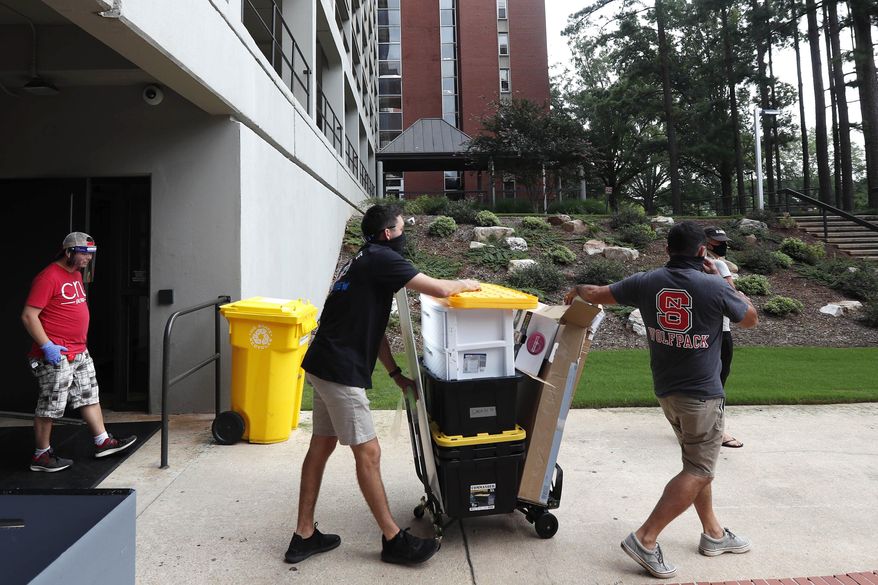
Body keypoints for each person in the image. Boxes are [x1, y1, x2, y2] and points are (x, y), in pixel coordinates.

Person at [285, 204, 480, 566]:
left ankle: (304, 536)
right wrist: (467, 284)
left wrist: (393, 374)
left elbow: (372, 330)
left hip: (323, 363)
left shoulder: (361, 259)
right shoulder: (381, 258)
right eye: (403, 228)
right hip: (339, 370)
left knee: (321, 446)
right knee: (369, 454)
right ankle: (394, 540)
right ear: (388, 233)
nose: (405, 234)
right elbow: (438, 288)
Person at [566, 221, 758, 579]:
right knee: (699, 469)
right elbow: (749, 319)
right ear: (703, 251)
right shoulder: (714, 285)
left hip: (666, 391)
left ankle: (713, 533)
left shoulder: (645, 281)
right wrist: (725, 278)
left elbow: (595, 293)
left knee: (696, 464)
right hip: (701, 394)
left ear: (667, 249)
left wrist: (577, 289)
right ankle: (646, 538)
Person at [22, 232, 137, 472]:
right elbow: (28, 315)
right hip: (56, 353)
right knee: (51, 405)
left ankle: (102, 441)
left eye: (91, 254)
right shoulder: (48, 277)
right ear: (68, 252)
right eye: (84, 253)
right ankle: (41, 456)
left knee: (89, 396)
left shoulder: (75, 274)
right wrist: (47, 346)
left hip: (79, 351)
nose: (88, 259)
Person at [704, 226, 743, 448]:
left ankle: (694, 425)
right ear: (707, 242)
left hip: (701, 331)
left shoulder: (691, 266)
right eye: (718, 241)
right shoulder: (717, 265)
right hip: (721, 331)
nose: (722, 244)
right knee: (718, 381)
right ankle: (718, 430)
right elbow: (731, 295)